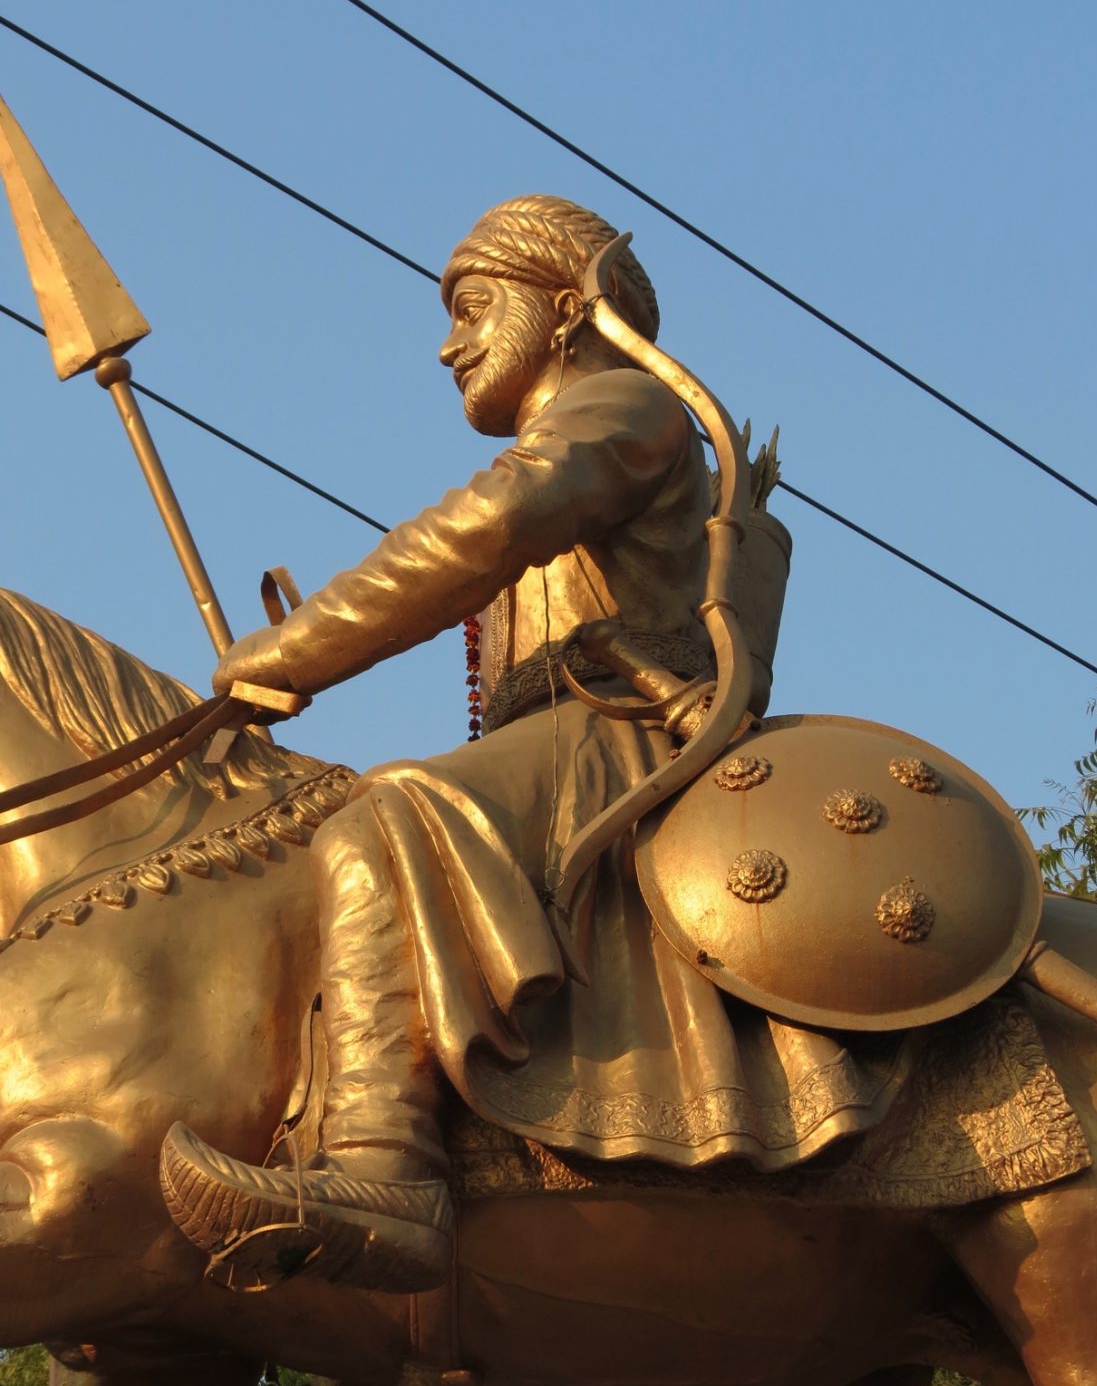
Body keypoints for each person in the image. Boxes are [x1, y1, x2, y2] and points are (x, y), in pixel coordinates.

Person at [163, 196, 909, 1294]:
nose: (447, 341)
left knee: (383, 822)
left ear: (568, 306)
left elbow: (492, 526)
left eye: (473, 306)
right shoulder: (596, 420)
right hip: (560, 743)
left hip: (627, 737)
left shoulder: (625, 409)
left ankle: (387, 1172)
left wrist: (299, 648)